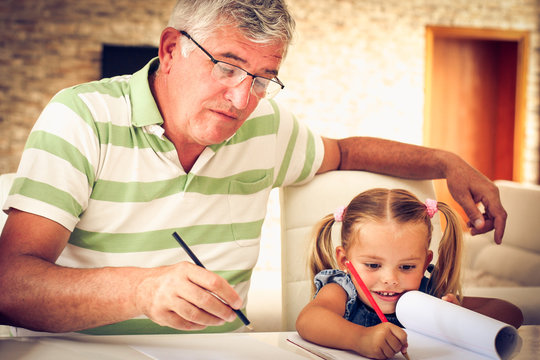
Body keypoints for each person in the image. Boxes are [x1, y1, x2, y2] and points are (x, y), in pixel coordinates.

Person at [0, 0, 507, 335]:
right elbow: (11, 287)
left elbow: (349, 151)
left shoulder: (266, 126)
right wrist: (140, 289)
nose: (242, 98)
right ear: (171, 49)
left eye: (263, 77)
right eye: (225, 65)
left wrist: (446, 160)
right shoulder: (81, 117)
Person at [296, 188, 523, 359]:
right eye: (373, 265)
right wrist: (361, 339)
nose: (391, 279)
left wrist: (458, 314)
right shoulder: (343, 291)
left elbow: (512, 313)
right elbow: (308, 320)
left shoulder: (426, 295)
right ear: (345, 260)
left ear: (425, 262)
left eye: (406, 267)